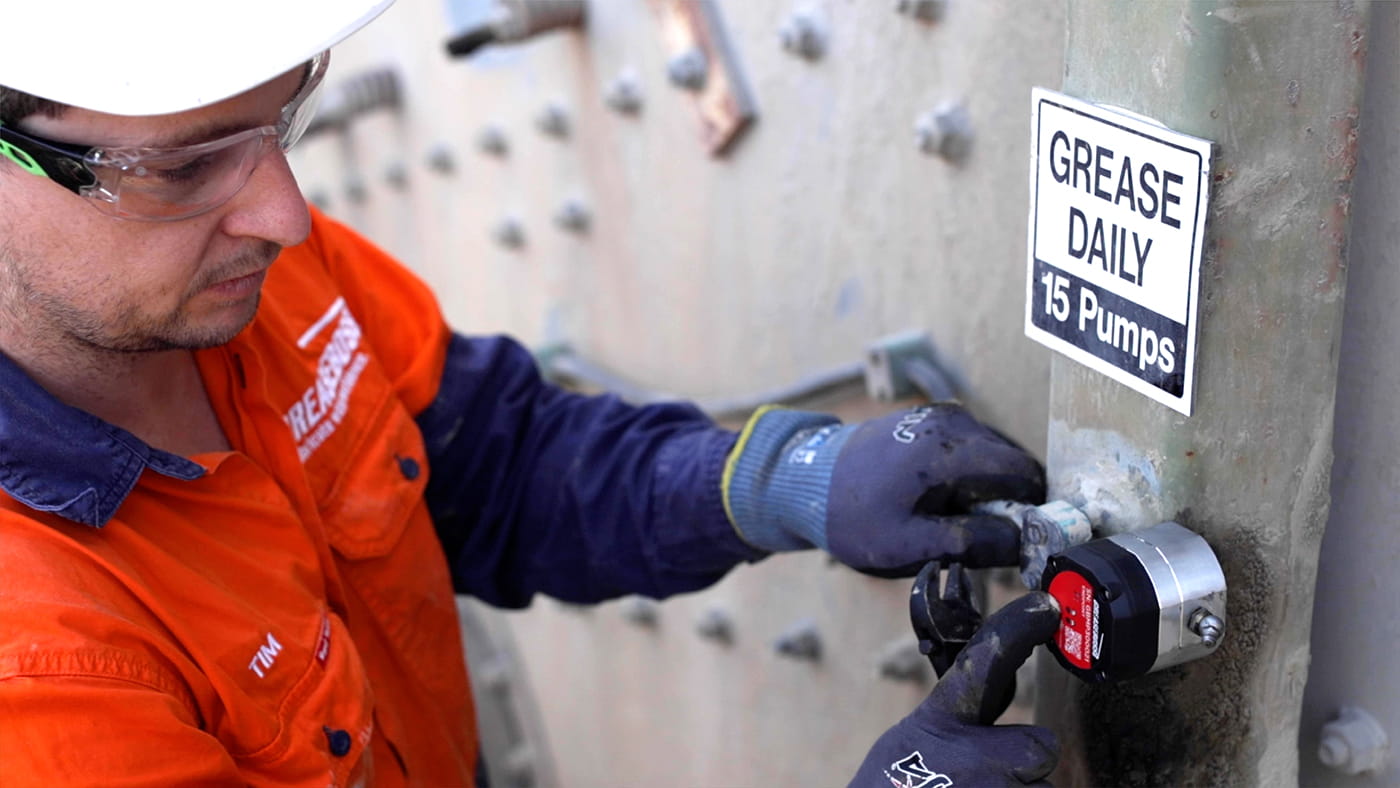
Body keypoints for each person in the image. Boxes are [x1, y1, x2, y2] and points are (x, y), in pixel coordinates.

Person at [0, 2, 1059, 785]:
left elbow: (486, 463)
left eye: (282, 120)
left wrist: (766, 480)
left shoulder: (230, 281)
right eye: (184, 168)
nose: (282, 213)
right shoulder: (31, 674)